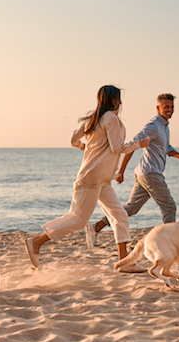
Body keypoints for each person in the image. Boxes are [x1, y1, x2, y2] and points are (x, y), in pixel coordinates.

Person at [24, 85, 150, 271]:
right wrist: (139, 144)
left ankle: (125, 262)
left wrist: (85, 148)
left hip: (101, 179)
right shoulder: (111, 118)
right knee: (78, 219)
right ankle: (37, 241)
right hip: (91, 178)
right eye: (118, 99)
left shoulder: (94, 118)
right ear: (113, 100)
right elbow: (117, 148)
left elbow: (74, 139)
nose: (121, 102)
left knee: (120, 215)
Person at [86, 93, 179, 250]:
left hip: (143, 173)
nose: (170, 110)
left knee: (131, 208)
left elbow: (166, 148)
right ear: (158, 108)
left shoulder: (164, 127)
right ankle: (170, 242)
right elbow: (133, 144)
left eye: (172, 107)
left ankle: (95, 227)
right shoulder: (154, 125)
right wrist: (121, 171)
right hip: (150, 174)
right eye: (166, 107)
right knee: (169, 207)